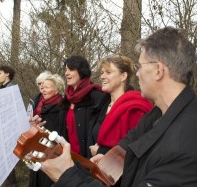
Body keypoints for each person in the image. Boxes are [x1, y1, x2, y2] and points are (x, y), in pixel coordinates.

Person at [40, 27, 197, 186]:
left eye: (141, 66)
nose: (137, 74)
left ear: (158, 70)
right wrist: (111, 159)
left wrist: (67, 176)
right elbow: (130, 148)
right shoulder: (158, 114)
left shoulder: (185, 145)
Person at [89, 54, 153, 156]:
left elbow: (136, 150)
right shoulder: (102, 105)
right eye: (102, 73)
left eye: (108, 72)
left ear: (123, 76)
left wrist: (101, 152)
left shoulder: (134, 108)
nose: (102, 77)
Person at [58, 55, 104, 158]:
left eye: (71, 69)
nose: (67, 73)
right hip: (69, 158)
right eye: (66, 70)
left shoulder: (97, 97)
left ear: (82, 71)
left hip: (89, 159)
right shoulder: (66, 99)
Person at [29, 74, 65, 187]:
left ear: (56, 90)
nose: (43, 90)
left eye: (47, 87)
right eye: (42, 87)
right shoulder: (41, 106)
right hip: (38, 151)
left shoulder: (62, 108)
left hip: (53, 155)